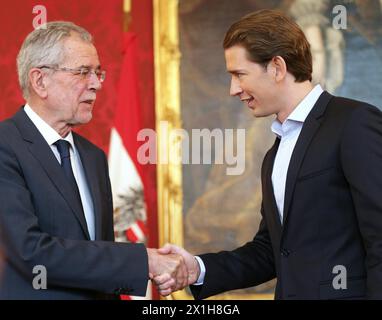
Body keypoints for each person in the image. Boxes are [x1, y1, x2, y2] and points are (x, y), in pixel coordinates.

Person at [153, 9, 382, 299]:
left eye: (239, 74)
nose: (233, 89)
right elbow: (271, 252)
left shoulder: (354, 122)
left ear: (276, 67)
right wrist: (197, 269)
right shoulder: (274, 154)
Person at [0, 21, 187, 299]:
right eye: (83, 72)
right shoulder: (5, 145)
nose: (97, 84)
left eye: (98, 72)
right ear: (40, 81)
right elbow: (31, 253)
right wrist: (143, 261)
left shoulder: (93, 157)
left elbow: (100, 255)